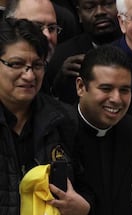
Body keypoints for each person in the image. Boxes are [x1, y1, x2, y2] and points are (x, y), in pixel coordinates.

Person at [0, 18, 89, 215]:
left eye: (37, 65)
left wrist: (83, 208)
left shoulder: (65, 120)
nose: (29, 76)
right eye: (17, 64)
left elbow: (88, 189)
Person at [74, 45, 132, 214]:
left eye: (124, 90)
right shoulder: (60, 131)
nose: (116, 99)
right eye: (106, 89)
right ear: (81, 87)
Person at [48, 0, 122, 104]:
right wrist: (59, 84)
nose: (100, 12)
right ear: (79, 14)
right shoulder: (61, 58)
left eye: (108, 4)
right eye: (89, 7)